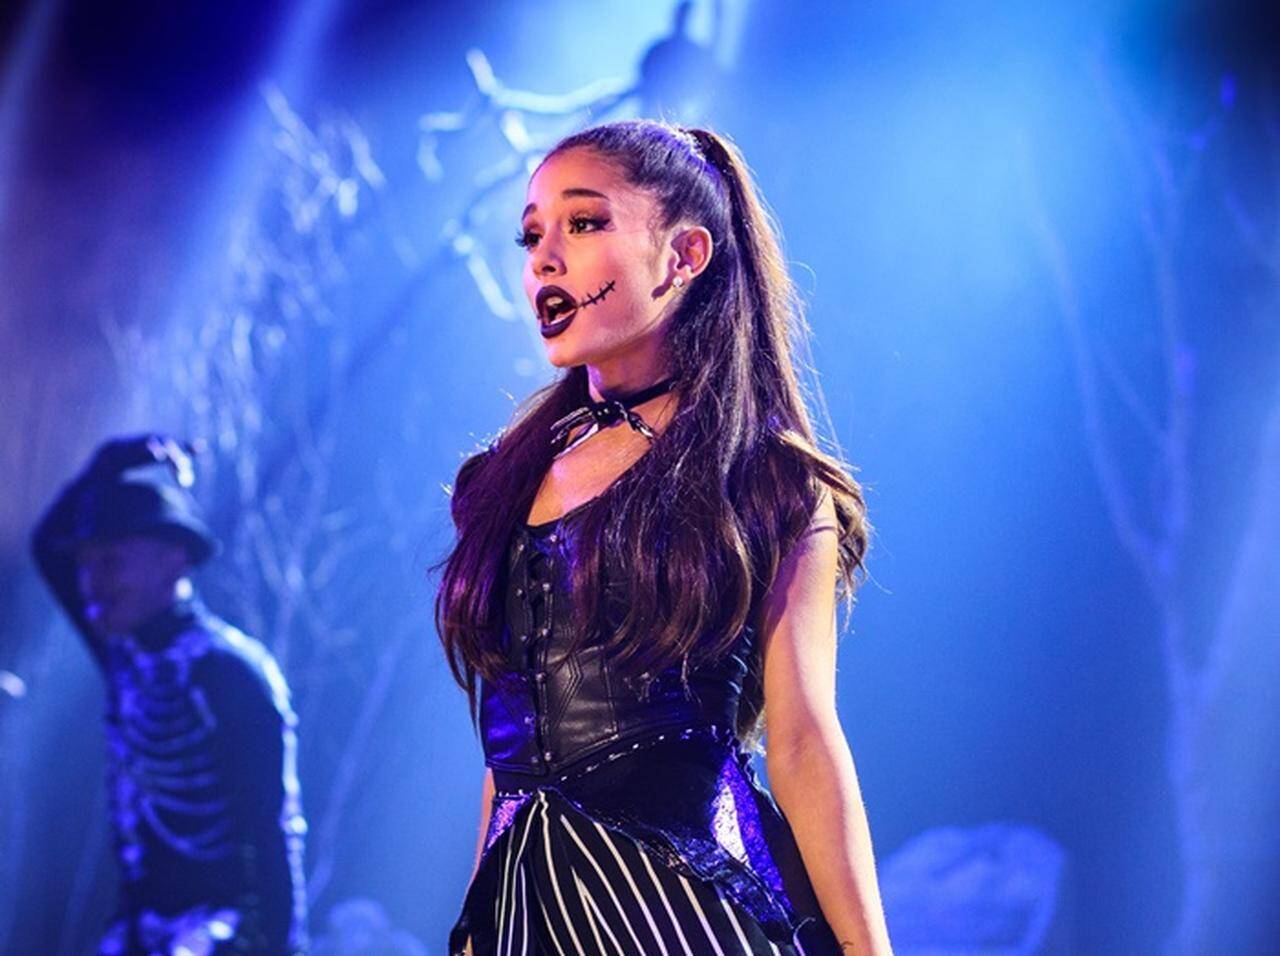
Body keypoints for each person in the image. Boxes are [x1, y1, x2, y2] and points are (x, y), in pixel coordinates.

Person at [437, 120, 893, 955]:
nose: (544, 259)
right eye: (531, 235)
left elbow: (802, 742)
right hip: (530, 910)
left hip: (683, 909)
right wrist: (478, 923)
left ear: (684, 255)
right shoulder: (497, 484)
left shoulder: (767, 482)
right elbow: (509, 757)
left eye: (584, 223)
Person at [31, 435, 308, 956]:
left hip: (221, 935)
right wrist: (109, 463)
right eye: (85, 565)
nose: (90, 584)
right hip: (138, 926)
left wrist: (283, 947)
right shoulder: (126, 650)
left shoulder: (230, 673)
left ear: (172, 559)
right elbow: (47, 547)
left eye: (110, 561)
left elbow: (273, 833)